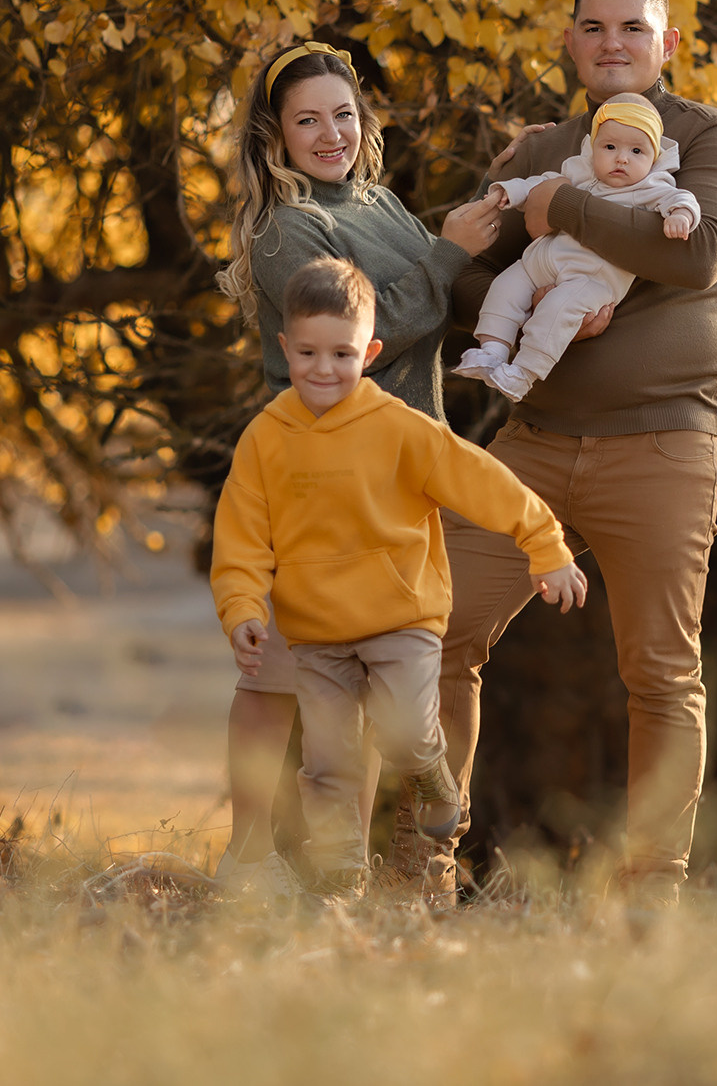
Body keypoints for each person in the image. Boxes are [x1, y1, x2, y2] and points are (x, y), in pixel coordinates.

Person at [397, 0, 717, 904]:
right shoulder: (537, 150)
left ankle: (652, 894)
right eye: (594, 27)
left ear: (667, 43)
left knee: (661, 671)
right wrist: (544, 279)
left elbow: (696, 255)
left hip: (663, 445)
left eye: (632, 29)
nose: (612, 44)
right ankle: (418, 865)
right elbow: (464, 276)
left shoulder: (713, 141)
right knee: (436, 630)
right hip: (535, 443)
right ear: (571, 41)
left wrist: (561, 213)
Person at [211, 40, 504, 899]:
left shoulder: (378, 201)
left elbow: (432, 295)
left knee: (398, 668)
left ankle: (390, 870)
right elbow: (380, 322)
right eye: (308, 119)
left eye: (343, 113)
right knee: (278, 678)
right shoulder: (285, 230)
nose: (331, 132)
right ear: (276, 135)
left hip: (403, 476)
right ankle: (250, 857)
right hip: (312, 477)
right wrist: (447, 254)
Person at [211, 257, 588, 896]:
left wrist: (545, 545)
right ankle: (342, 881)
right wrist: (243, 609)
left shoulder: (398, 429)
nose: (323, 369)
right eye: (307, 353)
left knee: (406, 733)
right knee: (328, 765)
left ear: (371, 351)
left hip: (400, 618)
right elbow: (242, 535)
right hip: (316, 632)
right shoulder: (266, 438)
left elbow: (484, 483)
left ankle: (435, 777)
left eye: (341, 354)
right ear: (285, 347)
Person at [453, 91, 700, 401]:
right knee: (505, 287)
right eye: (610, 147)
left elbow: (681, 198)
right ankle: (492, 350)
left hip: (590, 278)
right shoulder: (579, 171)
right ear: (592, 147)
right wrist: (511, 191)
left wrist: (681, 215)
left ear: (653, 158)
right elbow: (540, 183)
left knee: (558, 311)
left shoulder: (650, 185)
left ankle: (523, 374)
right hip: (541, 263)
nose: (621, 158)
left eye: (636, 150)